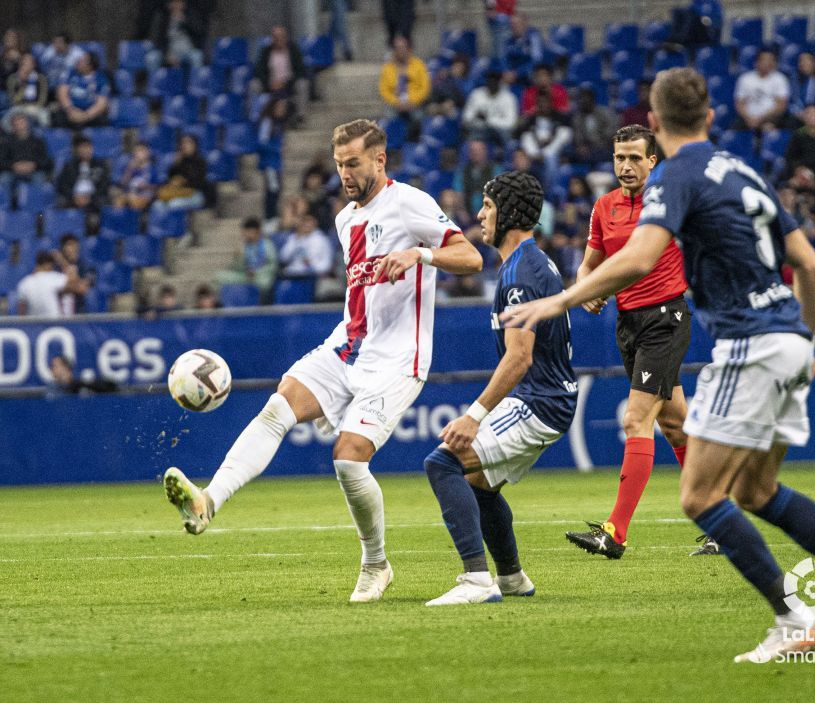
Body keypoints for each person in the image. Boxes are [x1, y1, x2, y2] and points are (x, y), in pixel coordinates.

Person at [501, 68, 815, 662]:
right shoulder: (742, 170)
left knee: (700, 498)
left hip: (749, 343)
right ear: (710, 117)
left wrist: (561, 299)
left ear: (654, 125)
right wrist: (806, 345)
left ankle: (794, 618)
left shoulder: (675, 176)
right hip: (788, 336)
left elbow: (640, 257)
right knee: (756, 490)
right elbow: (811, 268)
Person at [164, 119, 482, 603]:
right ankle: (209, 500)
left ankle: (376, 565)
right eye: (339, 165)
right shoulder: (345, 219)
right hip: (347, 345)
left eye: (353, 163)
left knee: (348, 460)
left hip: (397, 359)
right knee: (278, 407)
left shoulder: (409, 202)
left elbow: (471, 257)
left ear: (380, 159)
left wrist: (420, 254)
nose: (345, 174)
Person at [563, 124, 718, 559]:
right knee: (674, 424)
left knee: (636, 420)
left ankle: (615, 532)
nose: (626, 166)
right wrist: (587, 287)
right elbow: (589, 264)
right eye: (620, 157)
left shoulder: (668, 201)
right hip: (628, 323)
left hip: (666, 319)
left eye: (635, 157)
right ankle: (722, 521)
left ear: (653, 160)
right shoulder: (604, 207)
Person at [423, 170, 576, 605]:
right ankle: (511, 579)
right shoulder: (525, 262)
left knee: (443, 463)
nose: (480, 215)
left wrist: (474, 416)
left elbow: (519, 357)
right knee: (478, 484)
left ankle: (476, 581)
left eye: (488, 206)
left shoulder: (522, 271)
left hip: (540, 401)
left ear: (508, 212)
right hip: (547, 398)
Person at [252, 25, 309, 124]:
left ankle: (300, 116)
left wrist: (285, 82)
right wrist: (269, 83)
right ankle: (255, 115)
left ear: (285, 37)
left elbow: (300, 70)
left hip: (289, 84)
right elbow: (259, 71)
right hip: (270, 84)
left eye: (281, 36)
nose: (278, 39)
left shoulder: (293, 50)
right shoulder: (266, 51)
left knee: (302, 84)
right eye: (276, 37)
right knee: (254, 84)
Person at [216, 217, 279, 301]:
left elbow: (273, 266)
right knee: (219, 277)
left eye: (249, 232)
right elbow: (238, 269)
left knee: (263, 283)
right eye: (245, 232)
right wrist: (238, 258)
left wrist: (257, 272)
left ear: (257, 232)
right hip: (245, 276)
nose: (246, 235)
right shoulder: (244, 247)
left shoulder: (267, 245)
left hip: (261, 277)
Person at [16, 250, 89, 317]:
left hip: (34, 325)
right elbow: (82, 288)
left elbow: (21, 314)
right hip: (54, 324)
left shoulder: (24, 283)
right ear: (49, 265)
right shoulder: (54, 278)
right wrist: (62, 261)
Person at [734, 48, 790, 131]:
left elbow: (781, 105)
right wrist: (749, 118)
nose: (767, 63)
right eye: (764, 60)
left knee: (773, 129)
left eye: (770, 60)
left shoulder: (779, 79)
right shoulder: (745, 79)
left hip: (771, 118)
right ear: (757, 62)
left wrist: (761, 119)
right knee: (733, 132)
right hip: (748, 119)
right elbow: (739, 103)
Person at [461, 66, 518, 147]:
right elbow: (466, 117)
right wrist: (475, 116)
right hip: (479, 130)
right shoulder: (477, 94)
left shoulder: (509, 97)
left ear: (500, 81)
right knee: (471, 135)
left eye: (495, 80)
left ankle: (502, 152)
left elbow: (510, 123)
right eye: (490, 80)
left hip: (499, 132)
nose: (492, 83)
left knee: (507, 135)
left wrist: (488, 119)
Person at [56, 133, 111, 212]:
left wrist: (90, 198)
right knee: (61, 203)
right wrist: (74, 197)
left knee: (103, 203)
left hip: (94, 199)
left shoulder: (100, 165)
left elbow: (104, 185)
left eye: (88, 147)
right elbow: (62, 185)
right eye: (83, 147)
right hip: (73, 198)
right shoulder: (69, 166)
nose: (86, 150)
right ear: (77, 150)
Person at [0, 112, 53, 193]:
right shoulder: (6, 142)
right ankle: (6, 201)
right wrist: (13, 166)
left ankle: (36, 200)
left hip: (34, 171)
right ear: (12, 126)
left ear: (27, 123)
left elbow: (45, 160)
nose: (19, 125)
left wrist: (34, 165)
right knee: (4, 179)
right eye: (16, 123)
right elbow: (2, 160)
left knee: (39, 178)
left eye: (21, 122)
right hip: (12, 171)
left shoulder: (38, 141)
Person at [54, 52, 110, 128]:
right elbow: (62, 92)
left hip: (90, 115)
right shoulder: (71, 73)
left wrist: (86, 115)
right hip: (69, 112)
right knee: (57, 118)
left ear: (90, 66)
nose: (79, 61)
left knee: (102, 121)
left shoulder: (101, 79)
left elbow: (102, 103)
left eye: (83, 60)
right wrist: (70, 109)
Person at [6, 54, 51, 128]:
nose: (27, 65)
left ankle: (42, 134)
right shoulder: (13, 78)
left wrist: (35, 107)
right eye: (24, 63)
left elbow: (43, 97)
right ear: (21, 64)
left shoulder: (41, 78)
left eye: (30, 63)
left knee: (44, 116)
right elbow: (14, 100)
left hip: (36, 107)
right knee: (6, 120)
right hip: (19, 106)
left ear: (34, 65)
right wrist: (24, 83)